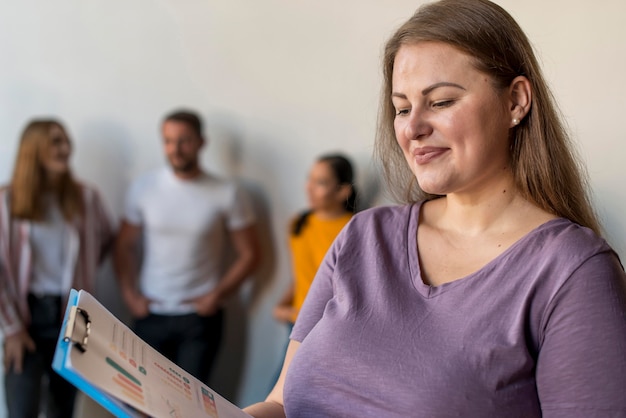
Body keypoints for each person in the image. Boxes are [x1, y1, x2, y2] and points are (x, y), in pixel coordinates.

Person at [244, 0, 626, 416]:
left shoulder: (572, 271)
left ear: (516, 101)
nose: (412, 128)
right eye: (402, 108)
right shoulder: (363, 236)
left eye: (441, 101)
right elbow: (281, 403)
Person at [114, 109, 260, 385]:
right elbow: (123, 246)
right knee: (142, 400)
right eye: (168, 141)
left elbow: (251, 254)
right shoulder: (144, 187)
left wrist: (216, 296)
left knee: (189, 407)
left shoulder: (227, 192)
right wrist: (129, 295)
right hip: (150, 312)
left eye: (184, 141)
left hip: (199, 319)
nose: (175, 149)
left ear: (201, 143)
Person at [0, 119, 114, 418]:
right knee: (21, 408)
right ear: (34, 149)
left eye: (66, 141)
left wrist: (83, 274)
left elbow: (104, 241)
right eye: (55, 142)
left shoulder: (87, 198)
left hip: (72, 316)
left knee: (62, 410)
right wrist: (11, 330)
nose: (65, 149)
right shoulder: (6, 201)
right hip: (26, 317)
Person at [271, 154, 356, 384]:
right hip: (297, 323)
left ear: (342, 192)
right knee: (281, 391)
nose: (309, 187)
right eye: (310, 179)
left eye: (320, 182)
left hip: (328, 330)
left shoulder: (355, 228)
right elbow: (302, 276)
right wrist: (283, 306)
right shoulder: (299, 224)